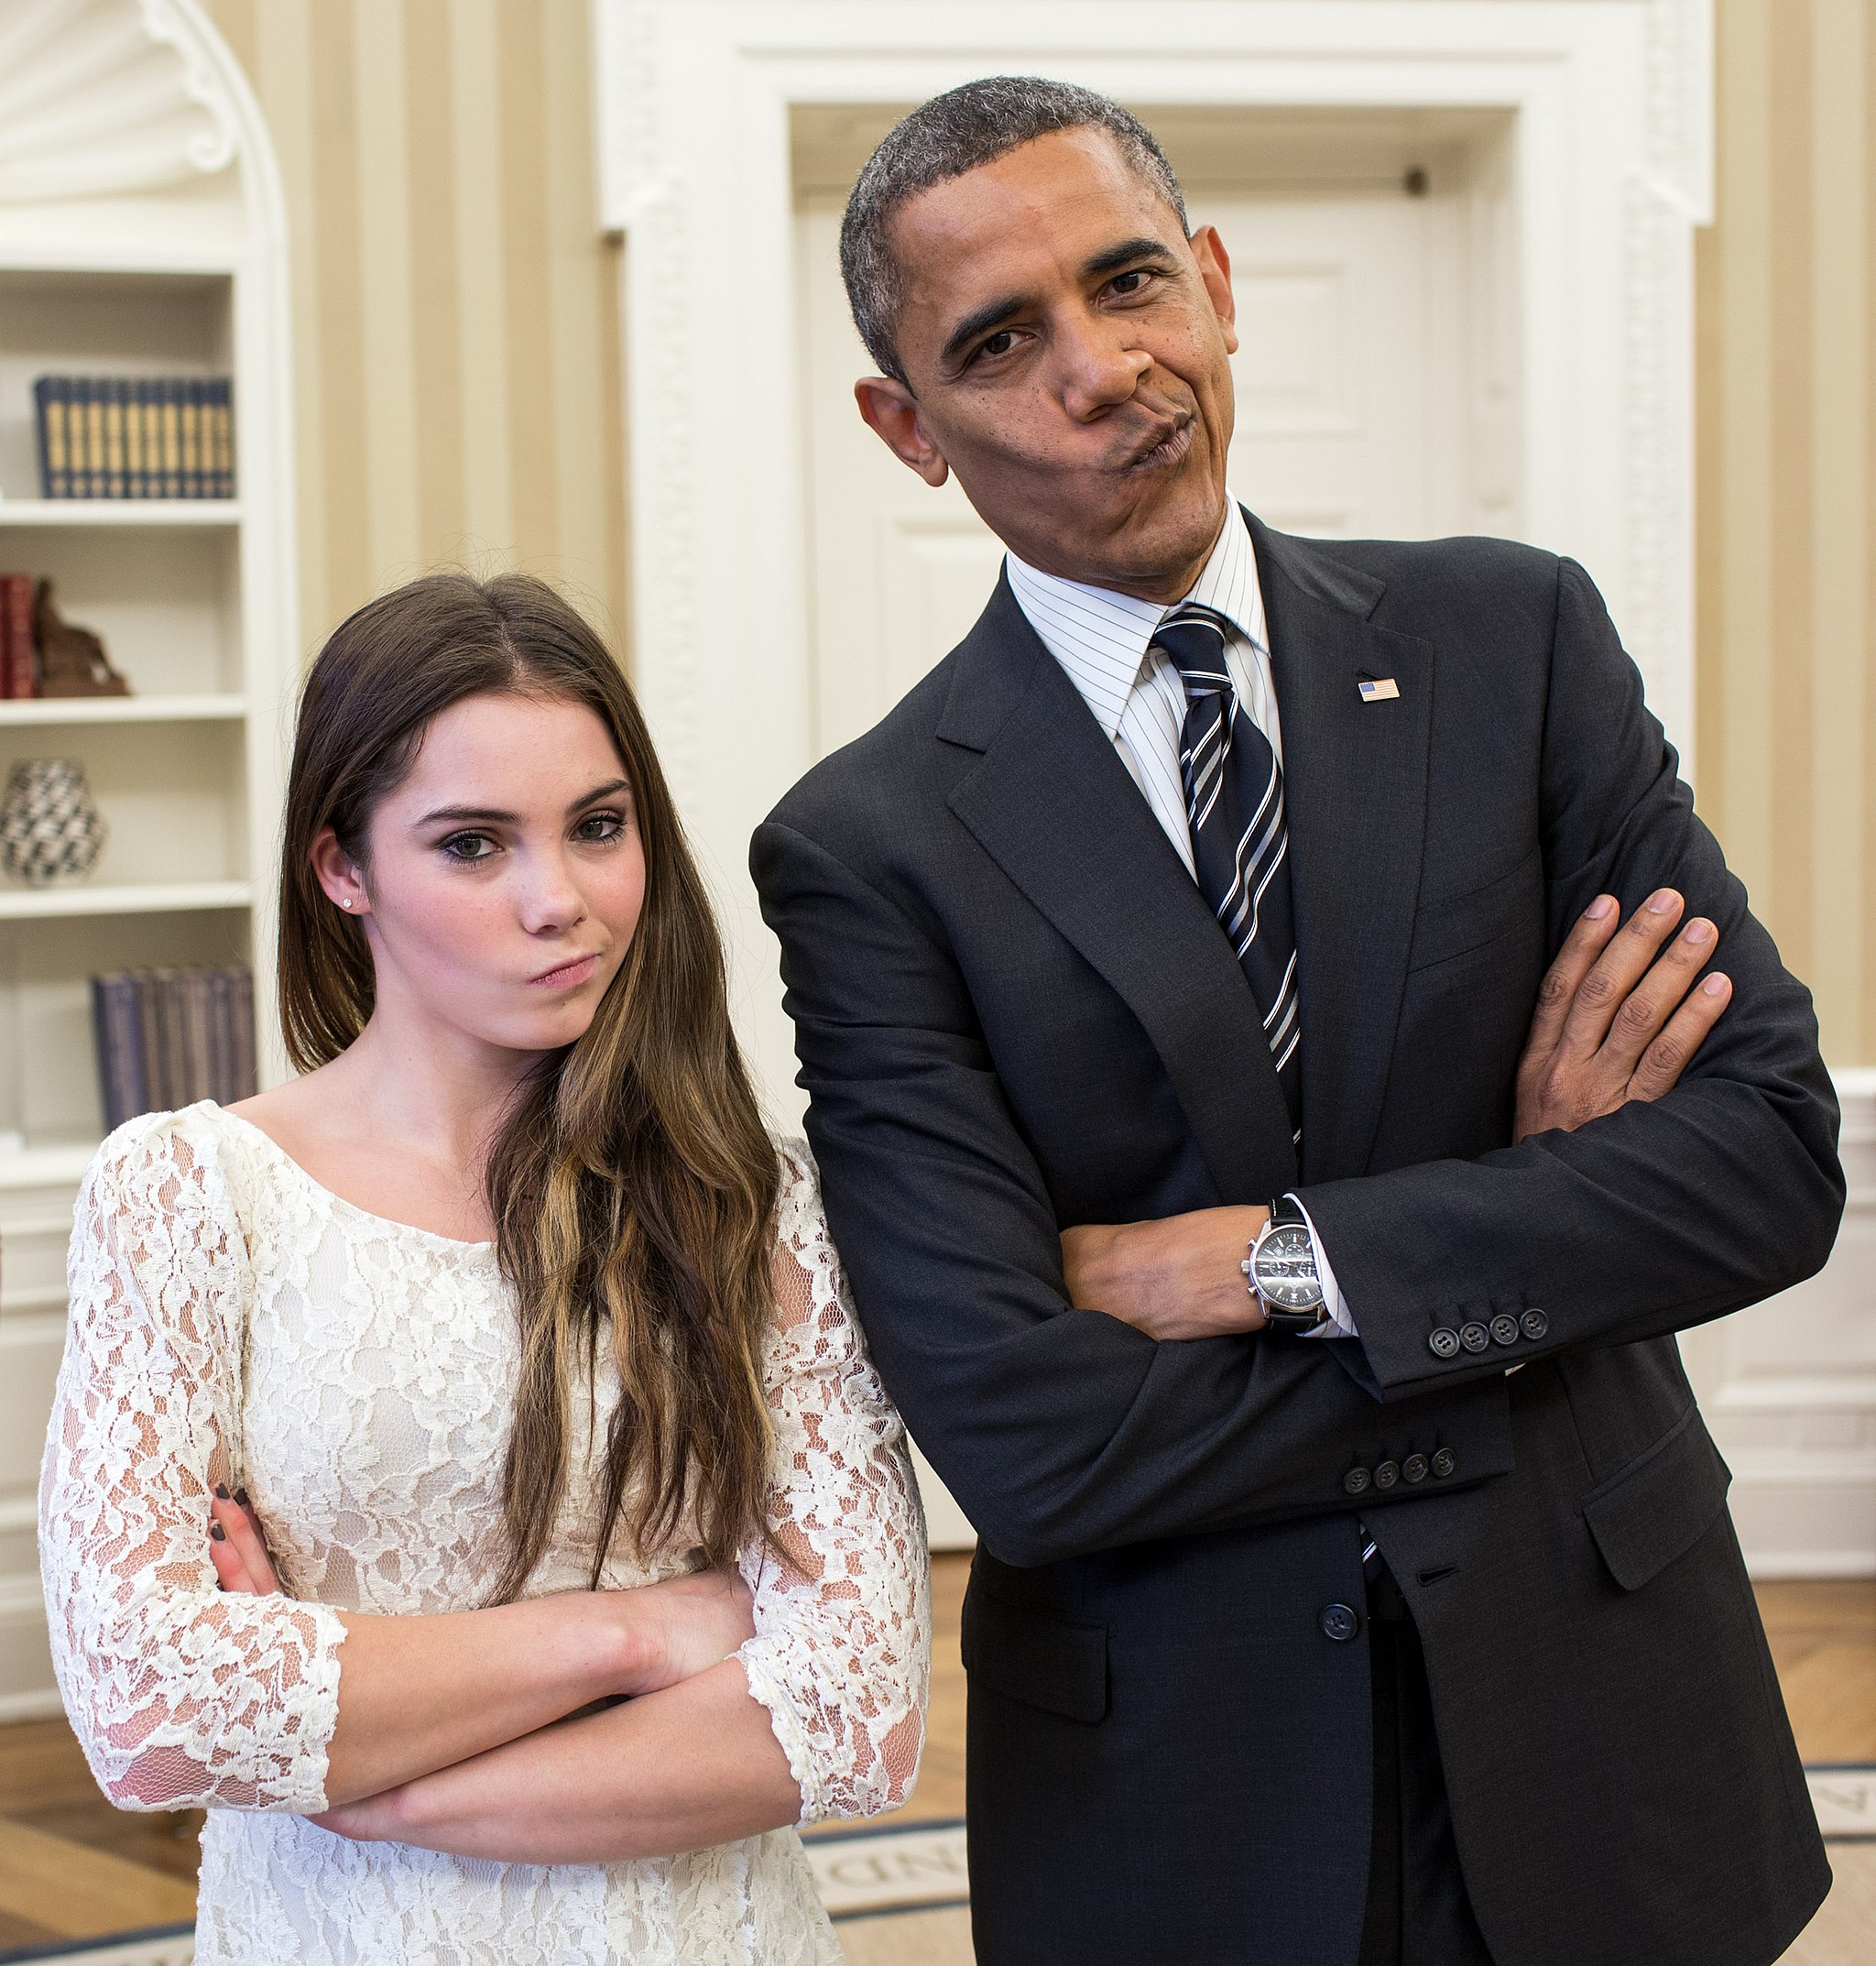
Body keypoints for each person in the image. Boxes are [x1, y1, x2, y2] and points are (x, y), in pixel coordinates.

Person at [751, 77, 1842, 1966]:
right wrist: (1523, 1257)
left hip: (1605, 1708)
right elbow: (1026, 1442)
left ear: (1221, 285)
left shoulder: (1517, 647)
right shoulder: (866, 846)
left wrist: (1284, 1261)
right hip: (1185, 1781)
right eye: (1001, 342)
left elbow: (1765, 1160)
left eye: (1130, 281)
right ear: (904, 427)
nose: (1101, 369)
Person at [39, 573, 928, 1966]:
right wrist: (640, 1635)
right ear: (343, 866)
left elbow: (861, 1714)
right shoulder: (187, 1196)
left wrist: (376, 1788)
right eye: (471, 844)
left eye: (597, 826)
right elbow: (151, 1708)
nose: (558, 900)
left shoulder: (748, 1199)